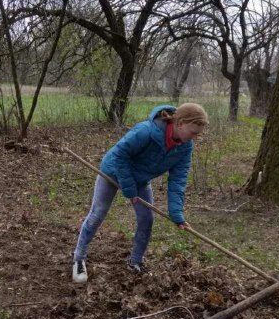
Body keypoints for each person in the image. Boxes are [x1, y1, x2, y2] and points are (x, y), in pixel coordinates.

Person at [72, 103, 208, 283]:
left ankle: (135, 262)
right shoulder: (146, 131)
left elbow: (178, 180)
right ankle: (79, 258)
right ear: (180, 123)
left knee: (147, 219)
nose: (195, 138)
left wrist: (176, 213)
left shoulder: (185, 147)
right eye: (194, 132)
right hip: (112, 171)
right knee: (98, 213)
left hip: (140, 179)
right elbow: (120, 156)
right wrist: (129, 189)